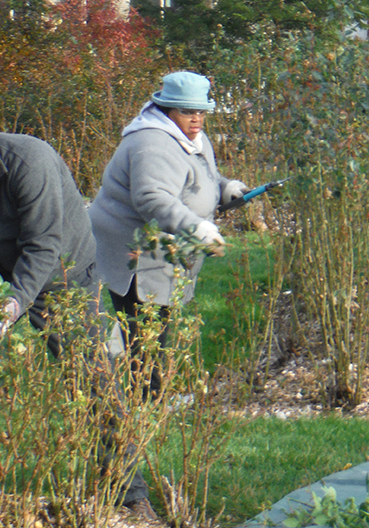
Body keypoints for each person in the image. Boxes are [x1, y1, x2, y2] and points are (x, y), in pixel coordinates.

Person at [0, 115, 156, 520]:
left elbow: (44, 247)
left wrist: (11, 307)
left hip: (65, 276)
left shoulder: (29, 160)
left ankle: (130, 494)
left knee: (93, 377)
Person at [89, 71, 249, 399]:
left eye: (201, 112)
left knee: (152, 321)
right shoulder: (154, 142)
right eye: (188, 112)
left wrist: (226, 189)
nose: (197, 119)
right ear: (167, 110)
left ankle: (135, 382)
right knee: (146, 326)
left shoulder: (191, 137)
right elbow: (152, 199)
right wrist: (198, 227)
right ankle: (147, 402)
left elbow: (204, 178)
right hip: (135, 249)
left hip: (163, 248)